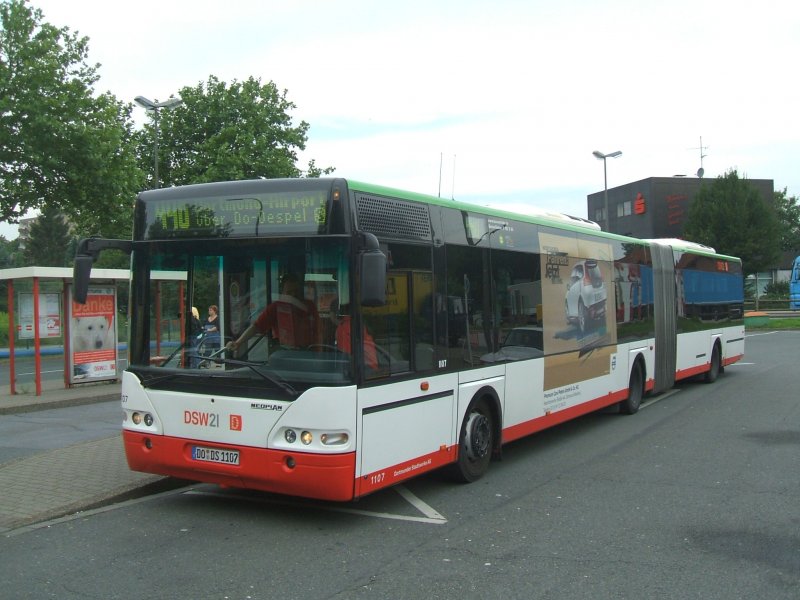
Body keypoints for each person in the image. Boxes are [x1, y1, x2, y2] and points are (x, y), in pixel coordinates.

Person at [227, 273, 320, 352]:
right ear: (282, 292)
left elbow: (319, 330)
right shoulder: (276, 307)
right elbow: (256, 326)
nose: (293, 295)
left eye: (296, 292)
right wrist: (238, 343)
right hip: (284, 353)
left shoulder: (309, 306)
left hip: (308, 352)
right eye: (289, 292)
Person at [329, 298, 378, 370]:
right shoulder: (355, 323)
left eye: (330, 313)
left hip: (363, 370)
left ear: (335, 314)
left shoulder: (343, 329)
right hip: (370, 368)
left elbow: (346, 358)